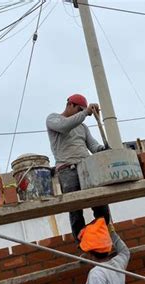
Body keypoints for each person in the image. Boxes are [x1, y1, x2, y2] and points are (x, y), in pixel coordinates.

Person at [46, 94, 111, 241]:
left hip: (87, 169)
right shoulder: (53, 119)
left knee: (100, 205)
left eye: (82, 111)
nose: (82, 114)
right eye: (79, 110)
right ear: (70, 105)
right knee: (75, 209)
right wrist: (85, 112)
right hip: (67, 171)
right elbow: (64, 127)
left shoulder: (82, 127)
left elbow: (93, 147)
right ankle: (83, 243)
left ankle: (98, 239)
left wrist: (104, 149)